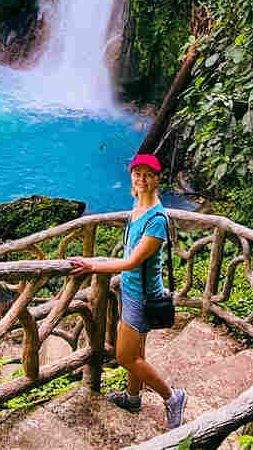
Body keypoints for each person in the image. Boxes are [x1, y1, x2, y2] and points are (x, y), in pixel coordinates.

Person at [70, 153, 188, 430]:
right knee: (137, 353)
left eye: (148, 174)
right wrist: (98, 262)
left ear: (158, 179)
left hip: (141, 297)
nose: (142, 179)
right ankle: (133, 398)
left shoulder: (156, 219)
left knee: (125, 357)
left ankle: (173, 397)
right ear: (132, 176)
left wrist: (92, 264)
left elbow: (132, 261)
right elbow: (129, 257)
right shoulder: (137, 207)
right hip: (132, 290)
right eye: (138, 174)